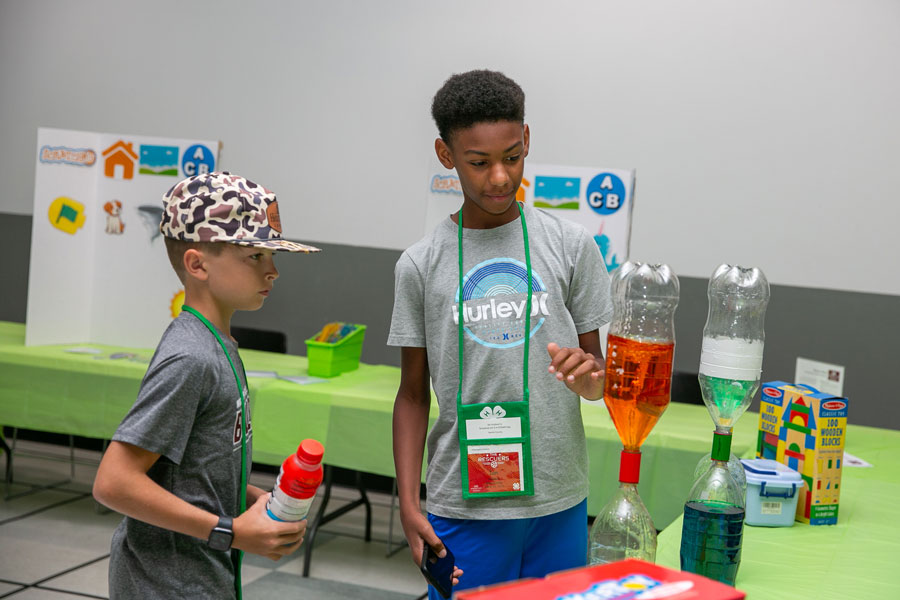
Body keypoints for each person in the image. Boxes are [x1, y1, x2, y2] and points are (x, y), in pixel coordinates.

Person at [388, 69, 614, 598]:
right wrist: (407, 501)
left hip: (559, 500)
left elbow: (600, 375)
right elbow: (412, 393)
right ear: (446, 155)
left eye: (512, 157)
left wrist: (591, 382)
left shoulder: (571, 244)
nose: (498, 177)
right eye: (478, 162)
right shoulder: (420, 265)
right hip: (463, 503)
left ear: (527, 140)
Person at [93, 171, 321, 599]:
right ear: (197, 264)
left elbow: (188, 474)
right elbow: (114, 481)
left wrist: (248, 499)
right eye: (254, 256)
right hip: (166, 584)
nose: (272, 271)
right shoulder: (192, 357)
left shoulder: (217, 344)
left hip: (200, 575)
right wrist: (230, 532)